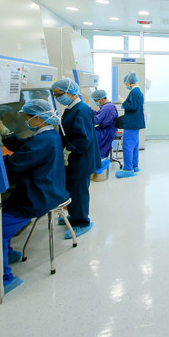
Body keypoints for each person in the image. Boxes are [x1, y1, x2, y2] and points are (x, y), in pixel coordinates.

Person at [0, 99, 69, 305]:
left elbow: (15, 163)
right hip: (48, 190)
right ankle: (7, 254)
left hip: (37, 197)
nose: (25, 121)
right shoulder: (49, 134)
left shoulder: (44, 140)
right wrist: (3, 130)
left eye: (26, 118)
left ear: (38, 118)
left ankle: (2, 281)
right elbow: (25, 147)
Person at [52, 78, 101, 239]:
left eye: (59, 94)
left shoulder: (81, 110)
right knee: (73, 188)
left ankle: (82, 222)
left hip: (81, 158)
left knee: (79, 191)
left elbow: (84, 139)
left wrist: (69, 150)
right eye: (55, 95)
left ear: (71, 92)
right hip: (77, 157)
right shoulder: (71, 108)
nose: (58, 97)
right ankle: (74, 216)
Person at [119, 71, 145, 178]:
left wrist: (123, 102)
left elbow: (132, 106)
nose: (125, 84)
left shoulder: (134, 92)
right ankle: (134, 166)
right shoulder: (138, 91)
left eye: (125, 83)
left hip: (131, 123)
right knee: (134, 145)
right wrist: (126, 101)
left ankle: (128, 170)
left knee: (127, 145)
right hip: (136, 123)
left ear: (129, 82)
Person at [90, 89, 118, 182]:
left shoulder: (107, 107)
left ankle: (98, 169)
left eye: (96, 100)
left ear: (102, 99)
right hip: (106, 130)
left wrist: (88, 117)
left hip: (106, 132)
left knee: (98, 146)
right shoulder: (106, 106)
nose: (95, 102)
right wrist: (90, 110)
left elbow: (97, 120)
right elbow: (99, 114)